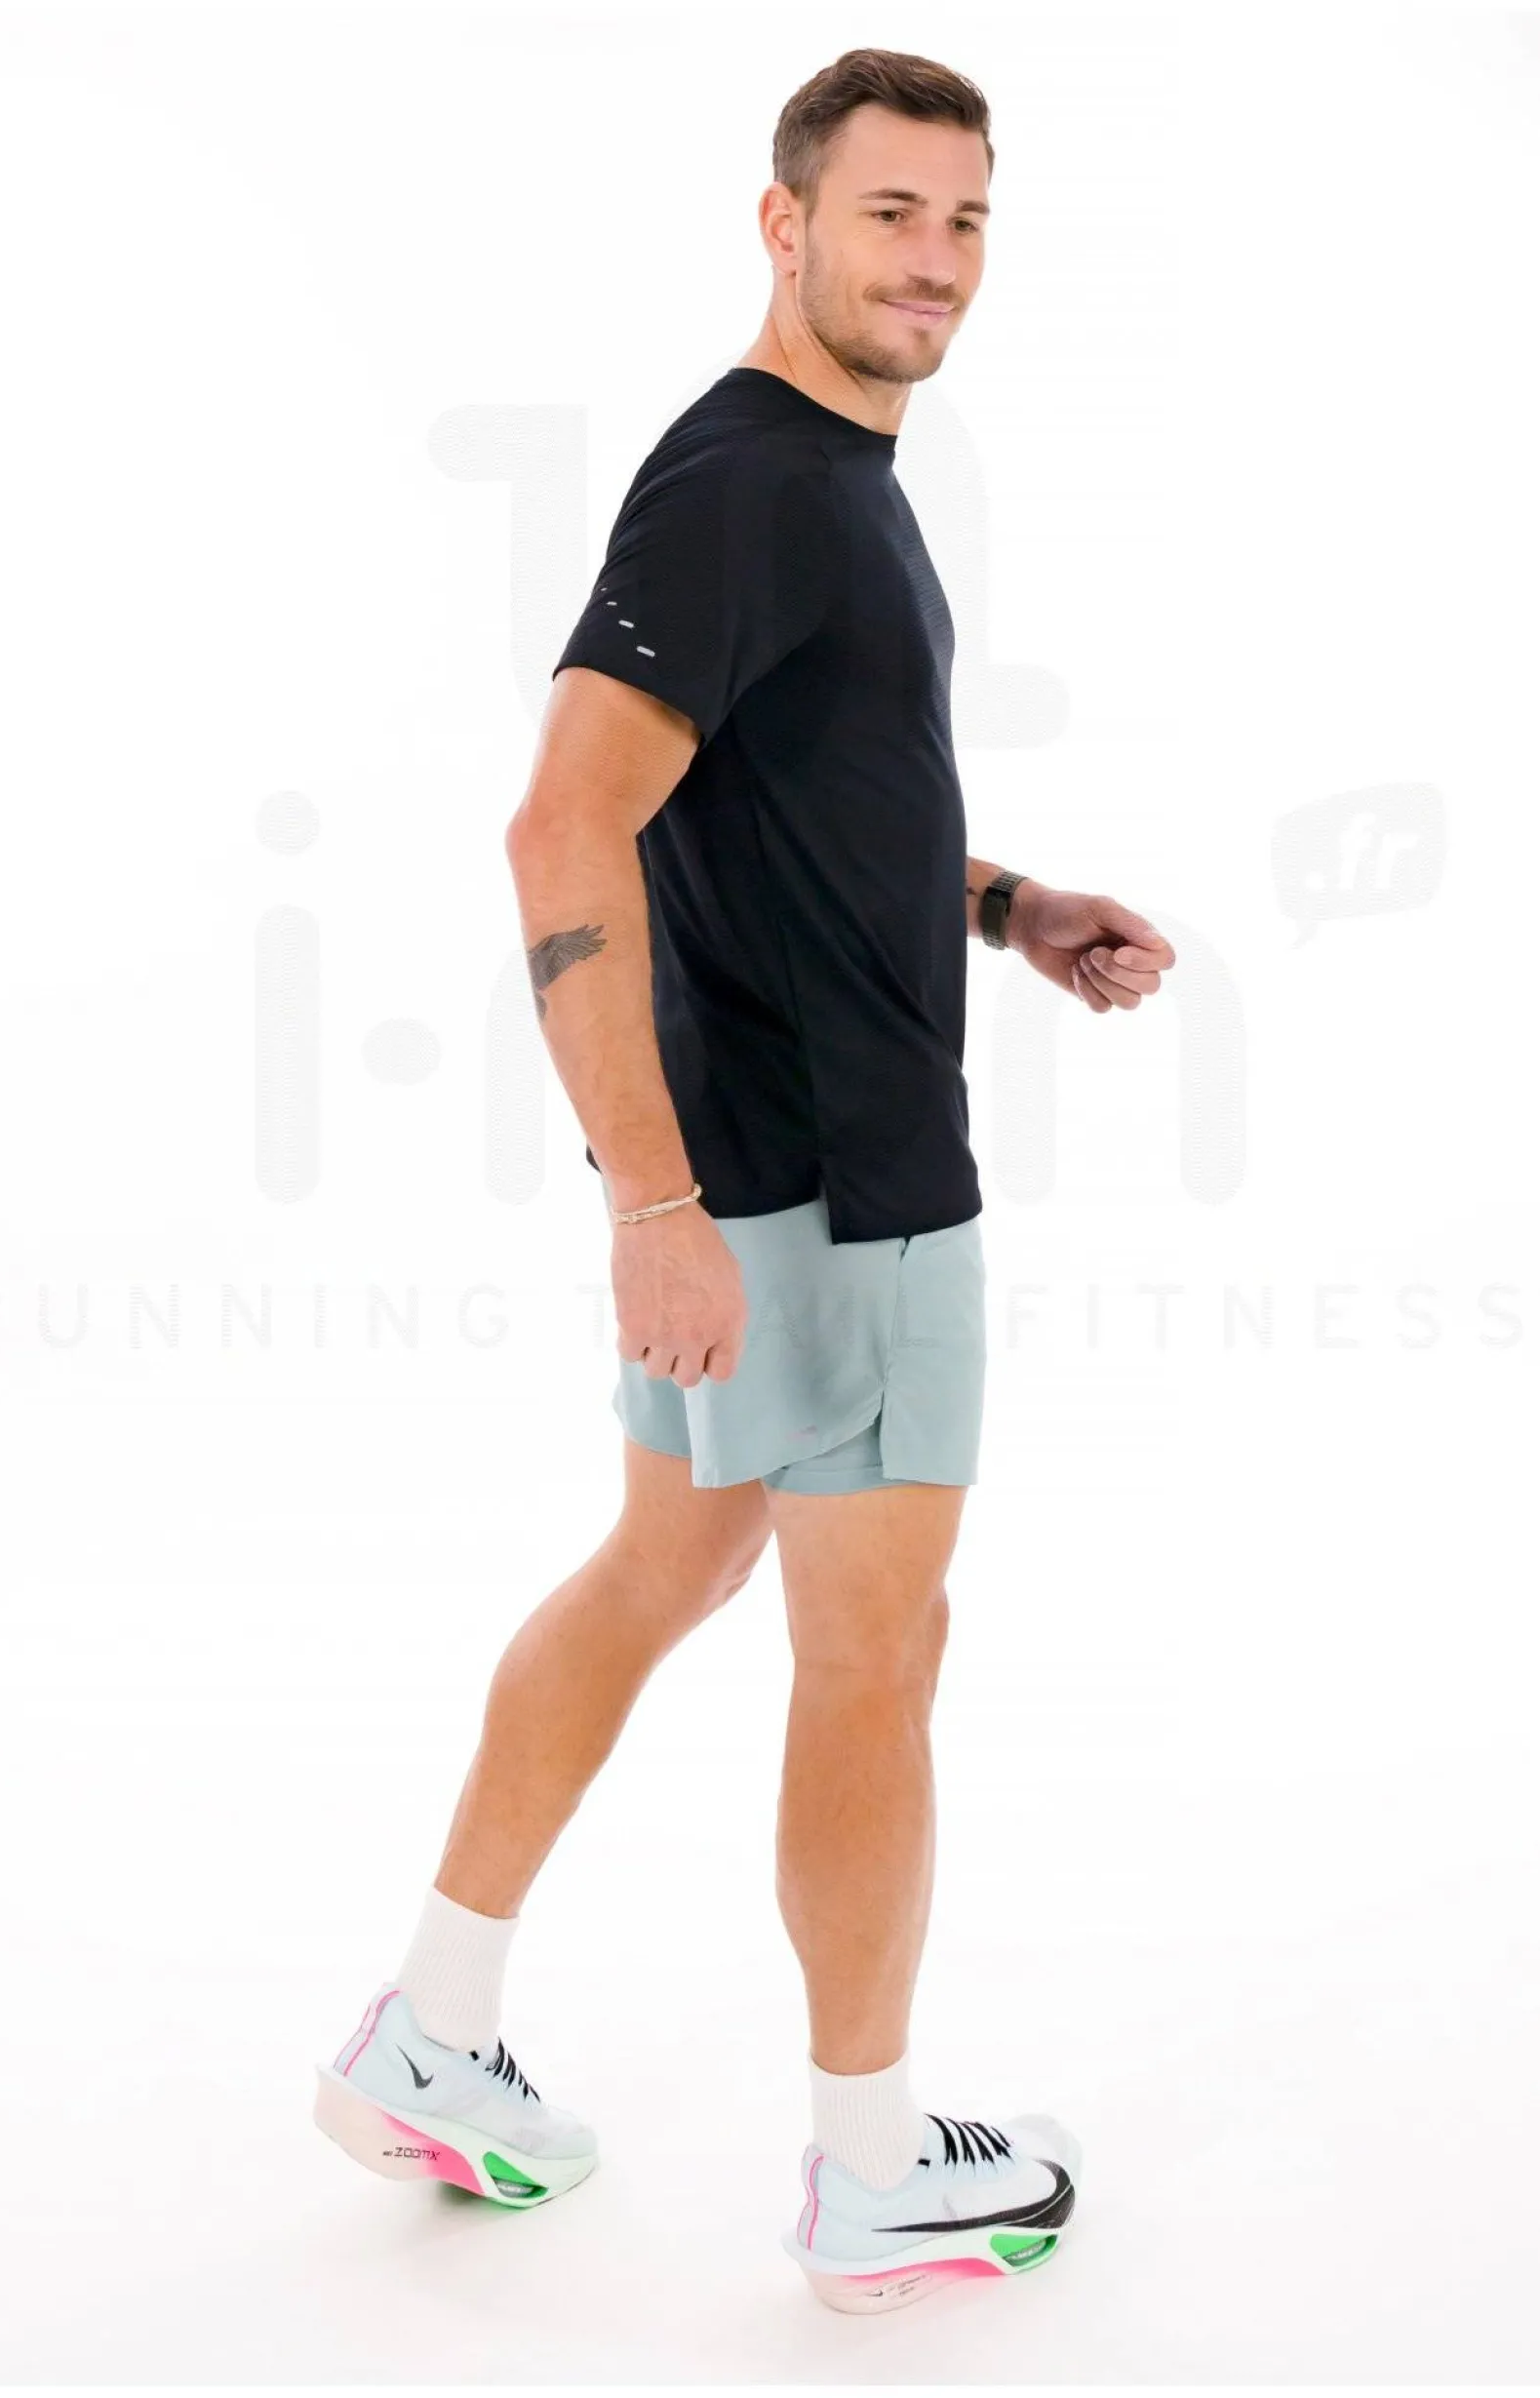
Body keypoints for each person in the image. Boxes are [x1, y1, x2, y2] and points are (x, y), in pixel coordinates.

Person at [312, 44, 1175, 2315]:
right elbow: (559, 824)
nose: (935, 261)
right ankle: (876, 2167)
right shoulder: (751, 485)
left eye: (965, 221)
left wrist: (1006, 907)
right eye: (889, 212)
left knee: (659, 1567)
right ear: (781, 222)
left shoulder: (819, 480)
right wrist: (650, 1206)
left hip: (770, 1171)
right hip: (835, 1194)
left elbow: (789, 807)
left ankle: (431, 2024)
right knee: (876, 1655)